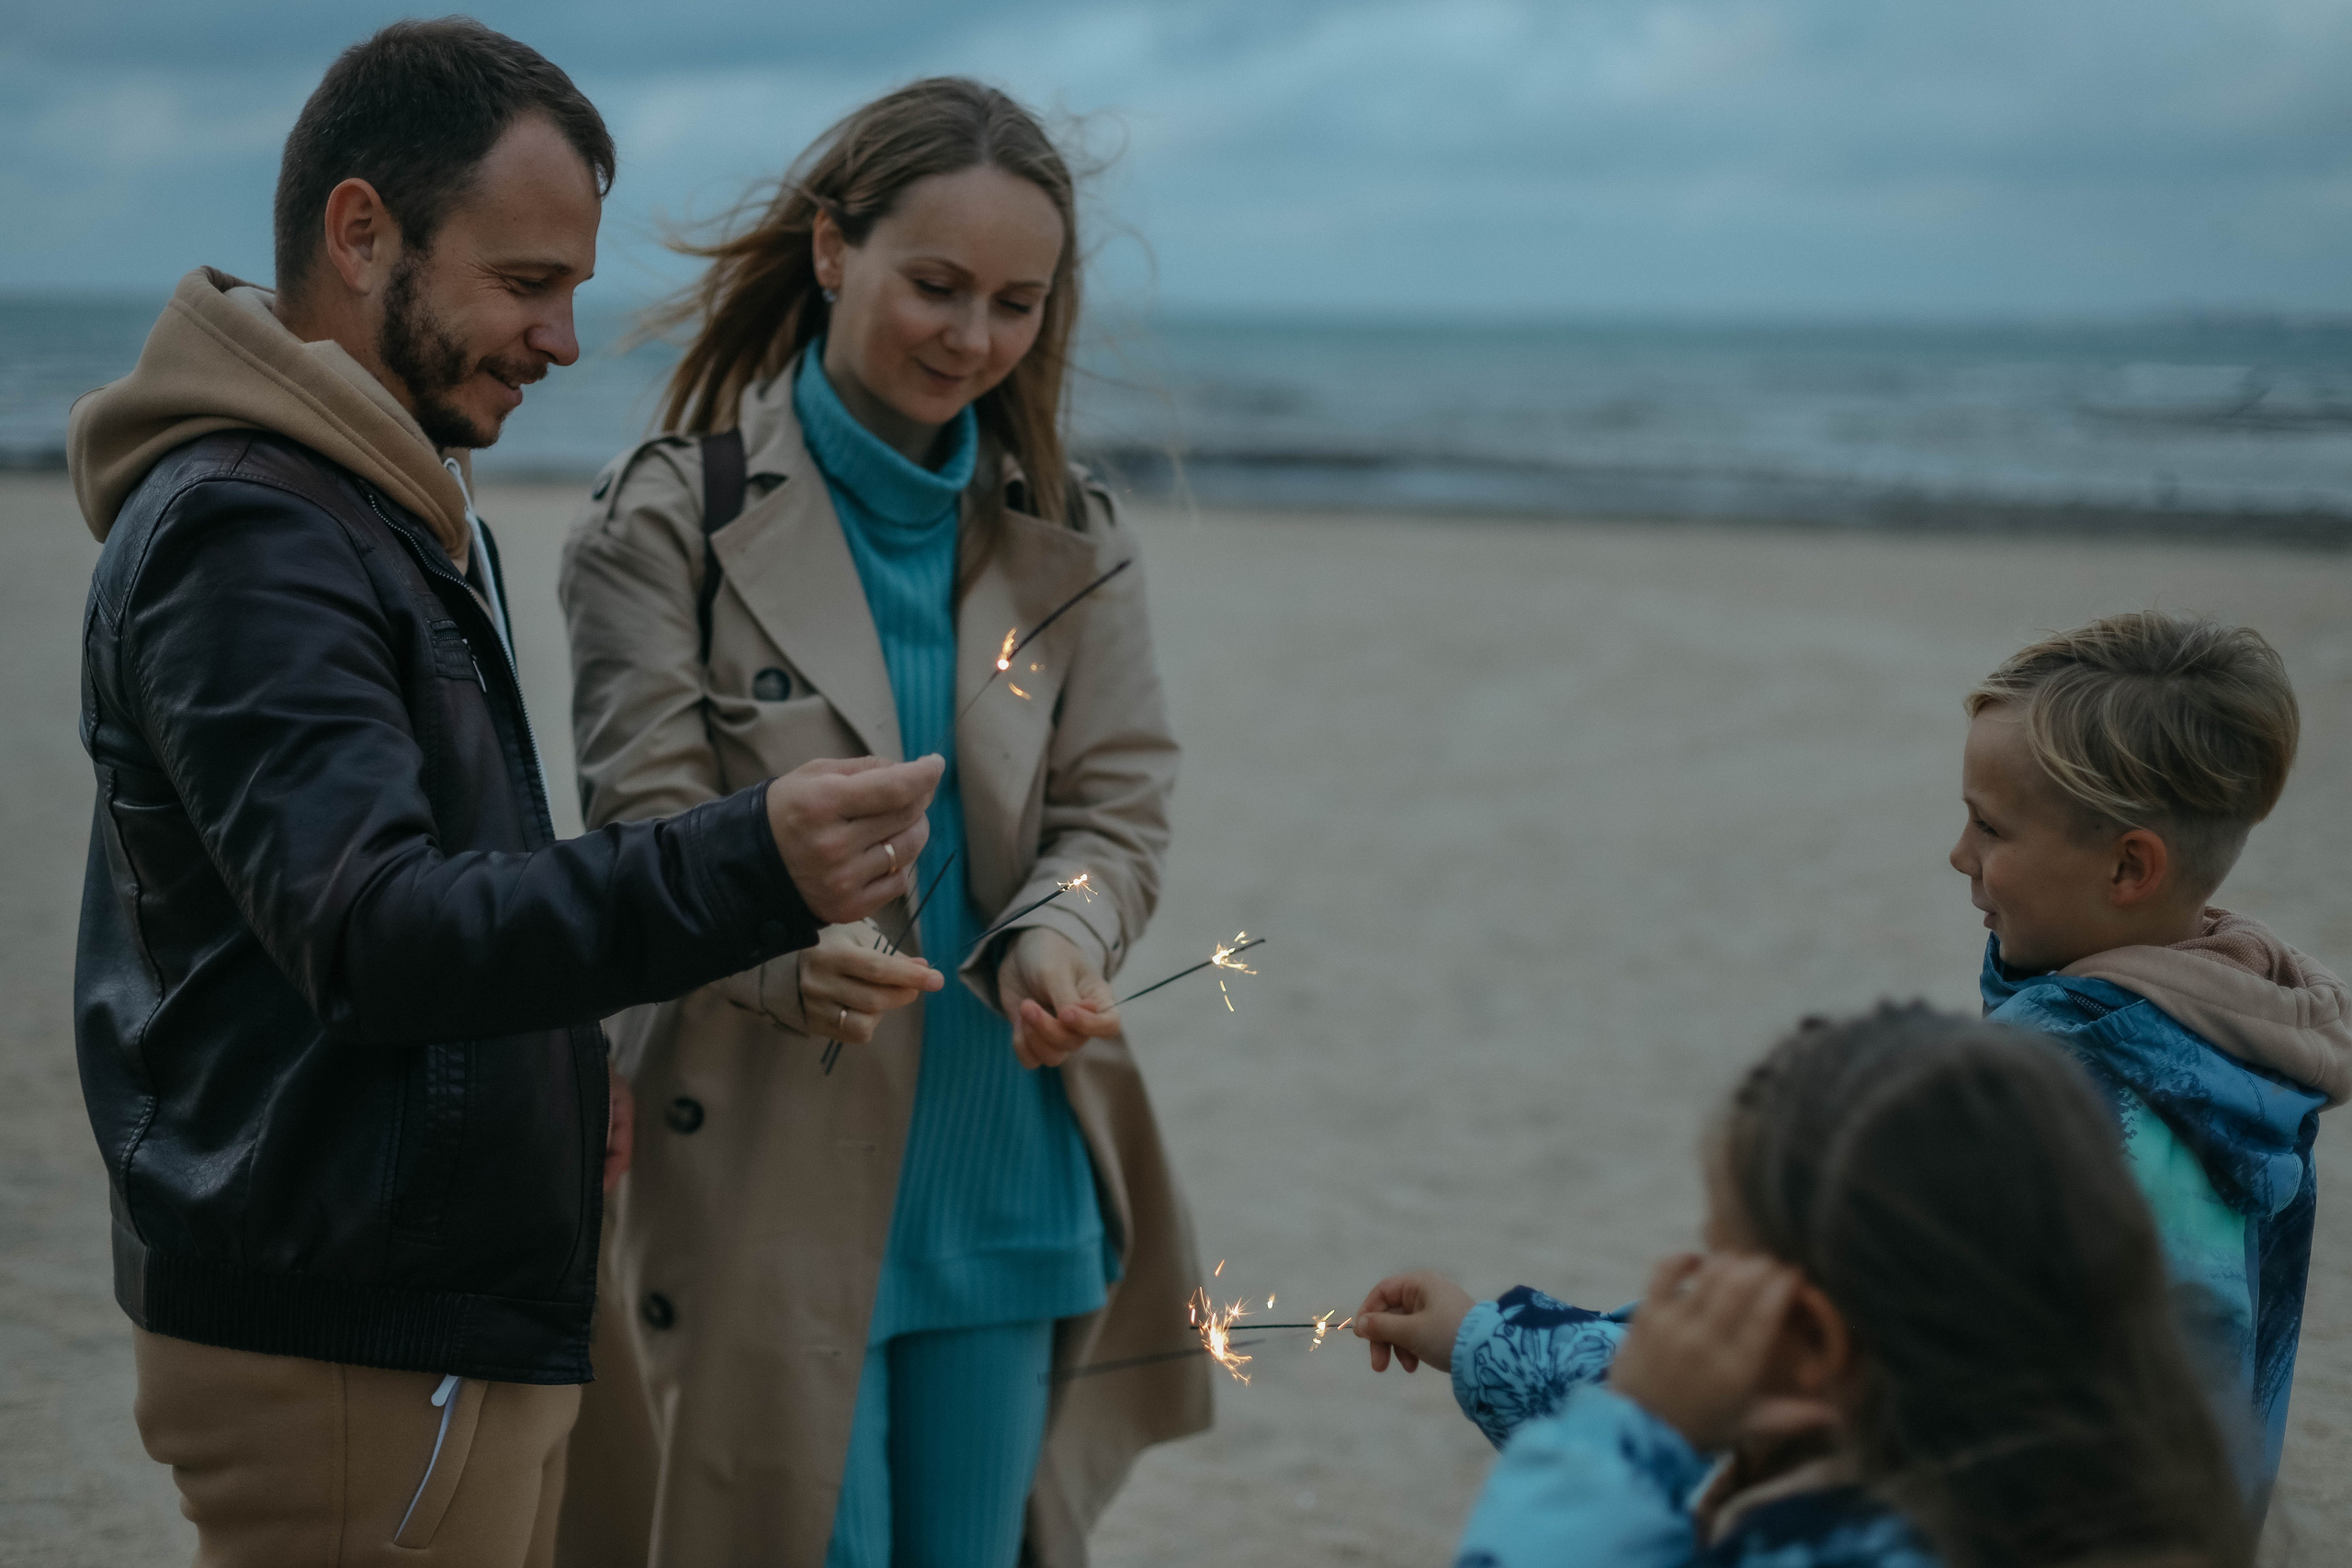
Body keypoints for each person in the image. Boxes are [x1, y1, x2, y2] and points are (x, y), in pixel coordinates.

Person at [67, 22, 939, 1568]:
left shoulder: (362, 499)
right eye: (528, 281)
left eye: (575, 288)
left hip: (430, 1306)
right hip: (355, 1337)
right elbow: (376, 932)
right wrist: (750, 857)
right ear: (361, 233)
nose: (563, 339)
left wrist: (558, 1073)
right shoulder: (254, 535)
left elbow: (431, 886)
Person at [555, 77, 1207, 1568]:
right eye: (936, 284)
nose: (972, 338)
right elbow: (645, 828)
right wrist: (786, 955)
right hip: (764, 1173)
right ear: (832, 248)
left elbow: (1119, 807)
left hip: (1010, 1169)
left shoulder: (1075, 531)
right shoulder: (662, 521)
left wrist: (1060, 934)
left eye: (1016, 303)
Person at [1350, 1007, 2252, 1567]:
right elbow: (1688, 1373)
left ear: (1816, 1341)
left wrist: (1627, 1439)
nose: (1687, 1288)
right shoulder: (2086, 1471)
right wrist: (1478, 1338)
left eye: (1719, 1259)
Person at [1953, 611, 2348, 1505]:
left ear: (2130, 870)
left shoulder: (2081, 1091)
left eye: (1989, 827)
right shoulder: (2233, 1031)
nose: (1958, 854)